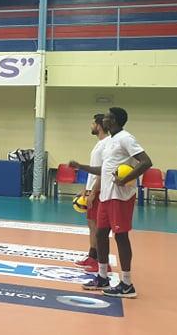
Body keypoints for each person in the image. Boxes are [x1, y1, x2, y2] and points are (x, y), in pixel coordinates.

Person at [72, 107, 151, 298]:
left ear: (113, 120)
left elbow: (146, 161)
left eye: (106, 117)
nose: (103, 119)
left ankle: (126, 284)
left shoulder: (126, 138)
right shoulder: (110, 142)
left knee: (121, 236)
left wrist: (125, 179)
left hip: (120, 196)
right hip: (106, 195)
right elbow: (105, 169)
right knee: (100, 234)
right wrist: (81, 167)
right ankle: (102, 277)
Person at [70, 114, 110, 273]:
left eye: (93, 123)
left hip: (99, 192)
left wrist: (94, 192)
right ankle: (92, 257)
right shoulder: (99, 144)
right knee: (92, 225)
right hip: (93, 190)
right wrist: (87, 189)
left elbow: (102, 172)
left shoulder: (105, 144)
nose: (91, 125)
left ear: (99, 125)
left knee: (98, 227)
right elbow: (94, 171)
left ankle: (101, 261)